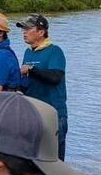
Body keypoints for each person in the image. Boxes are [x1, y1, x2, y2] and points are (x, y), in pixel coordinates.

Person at [17, 15, 69, 160]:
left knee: (54, 162)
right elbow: (26, 81)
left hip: (54, 114)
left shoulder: (55, 51)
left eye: (27, 28)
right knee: (35, 161)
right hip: (34, 114)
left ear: (41, 32)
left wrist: (31, 69)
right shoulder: (28, 52)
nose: (24, 32)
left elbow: (55, 77)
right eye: (23, 29)